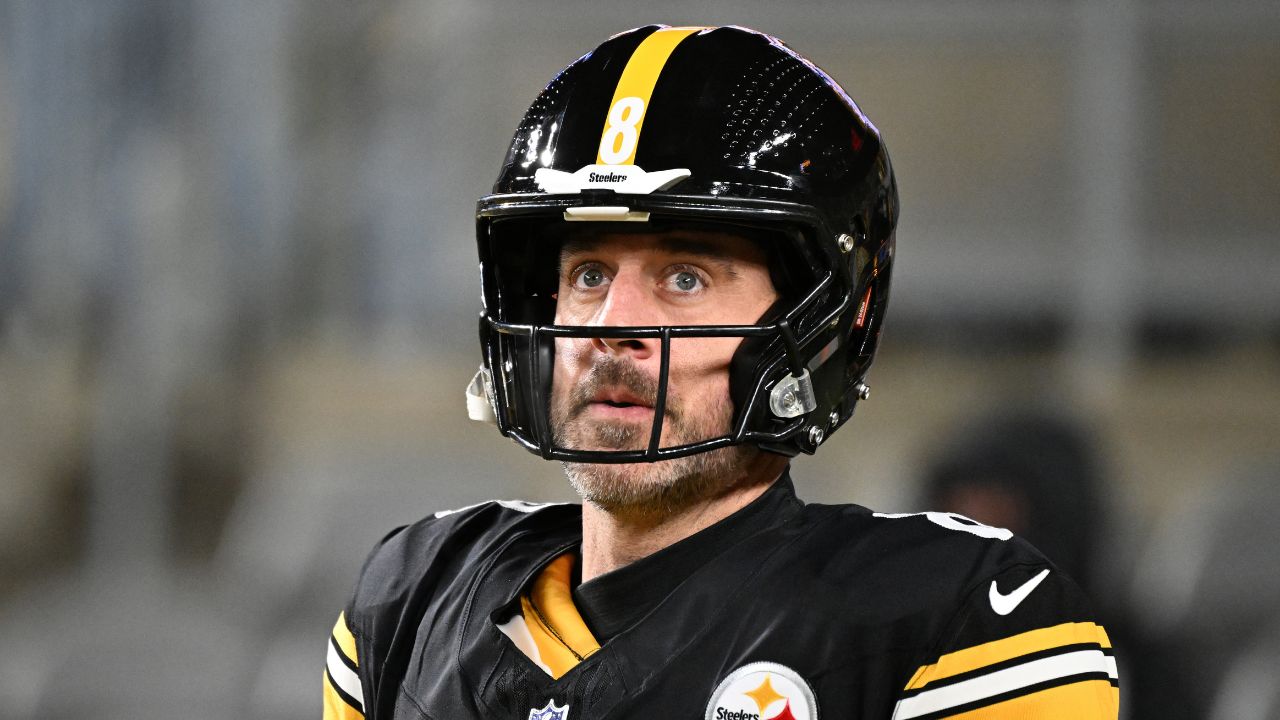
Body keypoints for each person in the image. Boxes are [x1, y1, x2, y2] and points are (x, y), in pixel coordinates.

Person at [322, 25, 1119, 720]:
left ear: (813, 327)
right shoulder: (414, 596)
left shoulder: (959, 621)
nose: (612, 326)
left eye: (685, 278)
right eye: (590, 274)